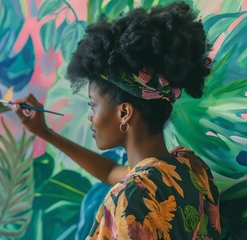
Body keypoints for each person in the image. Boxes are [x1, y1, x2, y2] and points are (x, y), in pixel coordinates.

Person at [12, 2, 220, 239]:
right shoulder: (190, 168)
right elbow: (112, 171)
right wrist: (45, 132)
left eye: (92, 105)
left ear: (124, 113)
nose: (90, 115)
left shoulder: (129, 200)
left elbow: (127, 182)